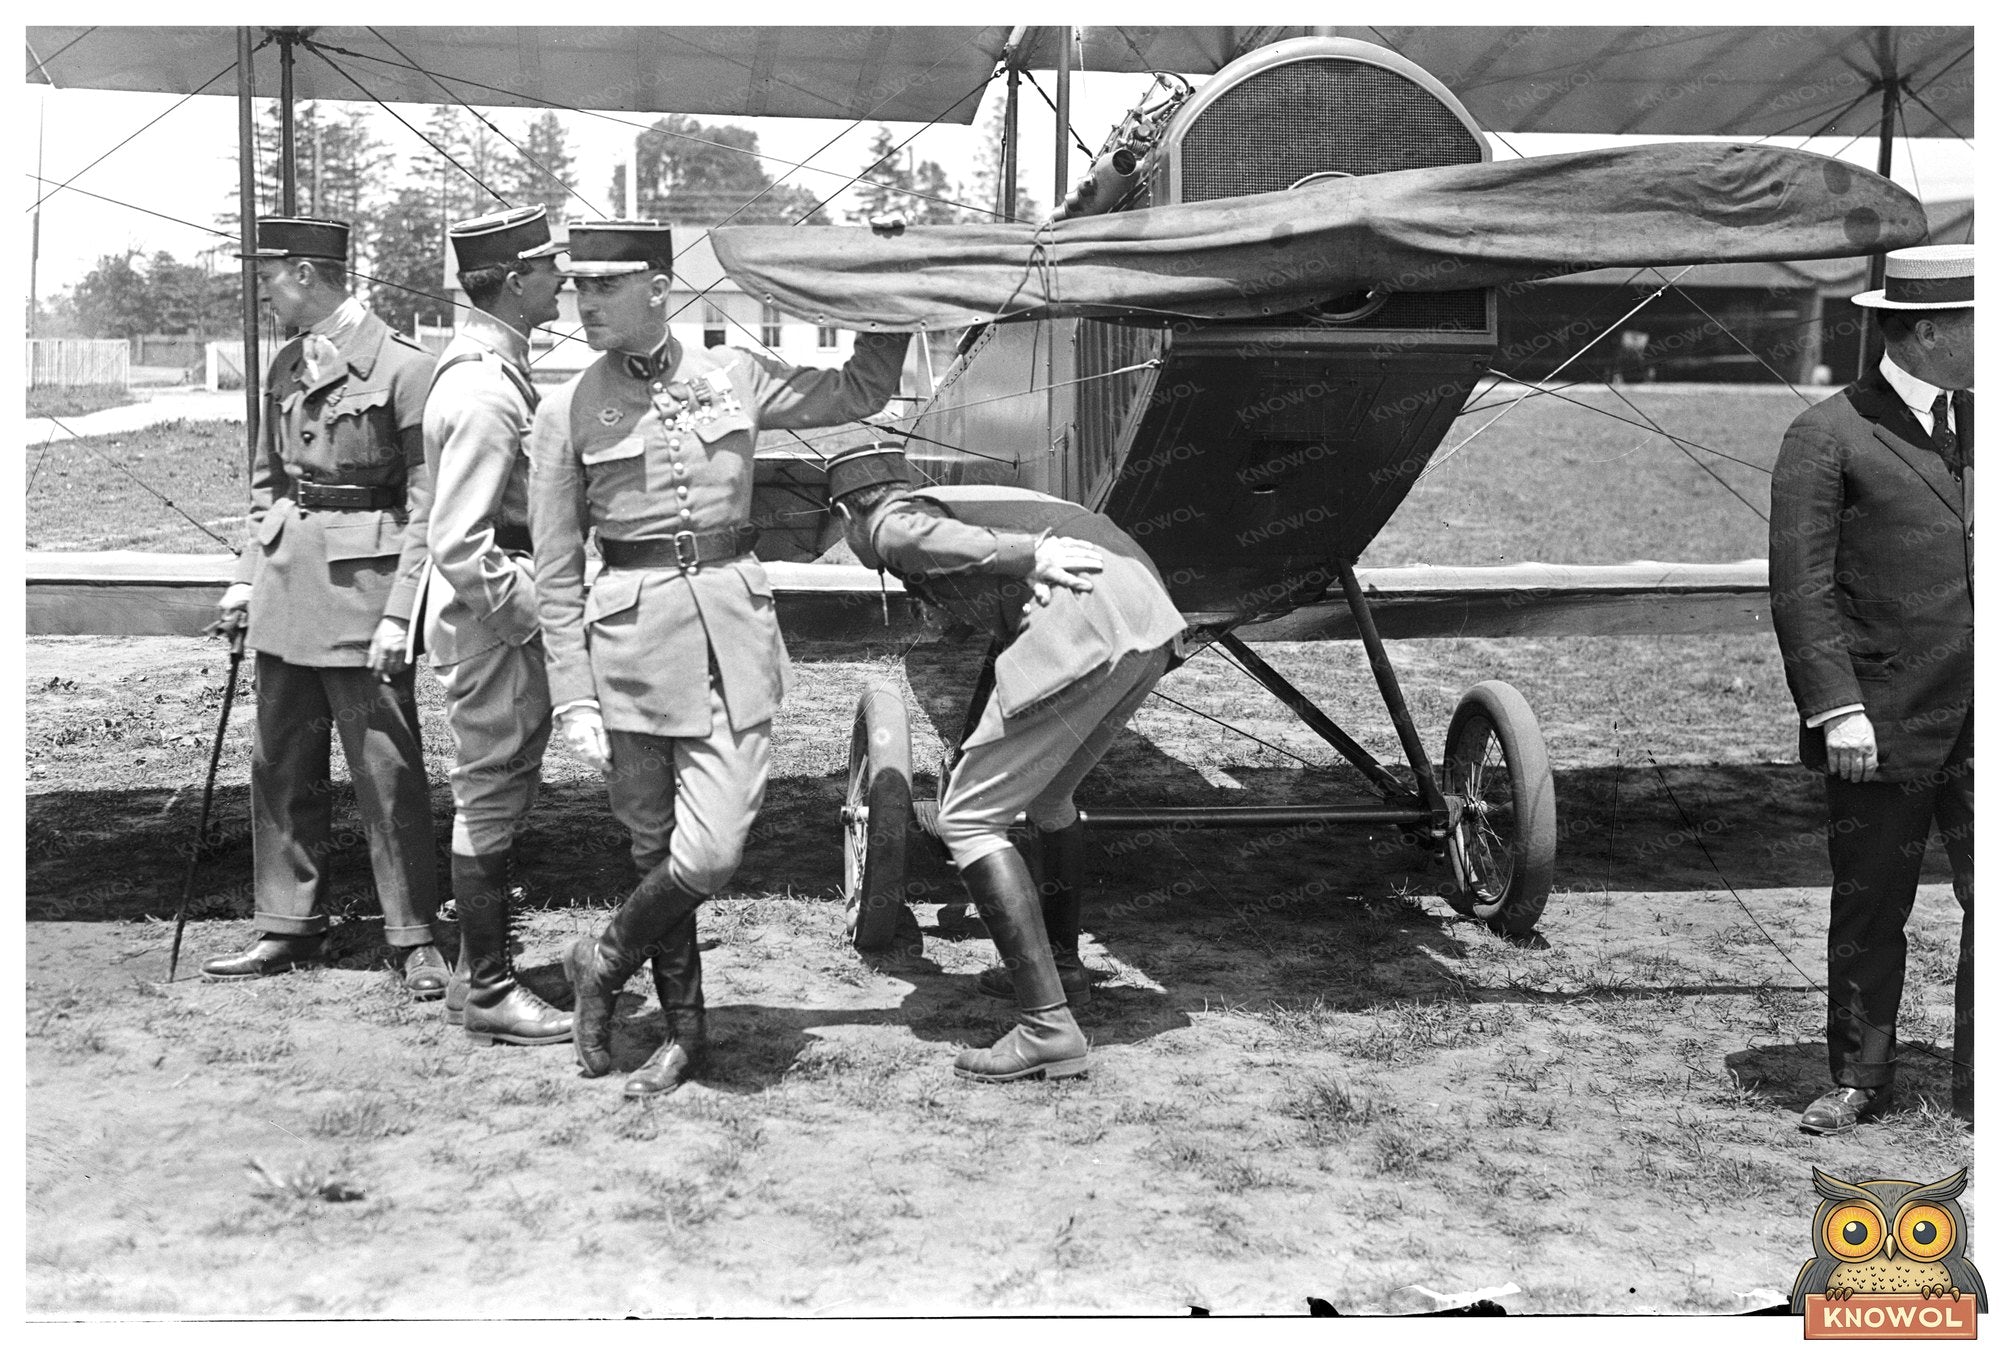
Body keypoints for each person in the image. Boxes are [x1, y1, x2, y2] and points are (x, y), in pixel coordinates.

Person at [528, 220, 911, 1096]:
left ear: (659, 288)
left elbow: (861, 388)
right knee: (651, 849)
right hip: (629, 652)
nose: (585, 302)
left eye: (606, 285)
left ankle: (600, 958)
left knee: (710, 853)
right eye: (579, 286)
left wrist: (888, 286)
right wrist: (573, 695)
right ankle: (684, 1036)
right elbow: (554, 569)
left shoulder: (733, 373)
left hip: (732, 641)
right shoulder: (565, 411)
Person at [826, 444, 1187, 1083]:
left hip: (1082, 621)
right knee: (1050, 800)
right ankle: (1064, 967)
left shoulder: (888, 520)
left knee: (967, 819)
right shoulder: (976, 503)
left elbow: (902, 535)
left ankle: (1048, 1028)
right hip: (1147, 620)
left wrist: (1030, 556)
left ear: (846, 513)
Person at [203, 216, 447, 997]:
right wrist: (246, 579)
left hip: (363, 596)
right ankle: (288, 924)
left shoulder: (405, 367)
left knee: (386, 771)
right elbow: (268, 488)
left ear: (306, 275)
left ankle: (414, 936)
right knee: (280, 765)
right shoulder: (285, 364)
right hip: (286, 587)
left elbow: (427, 506)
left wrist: (400, 611)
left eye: (269, 277)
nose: (264, 292)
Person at [1770, 244, 1974, 1135]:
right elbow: (1800, 586)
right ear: (1928, 332)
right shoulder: (1828, 433)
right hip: (1882, 720)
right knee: (1872, 900)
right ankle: (1859, 1075)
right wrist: (1837, 708)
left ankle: (1980, 1081)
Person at [422, 205, 573, 1047]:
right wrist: (535, 620)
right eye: (549, 266)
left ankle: (470, 981)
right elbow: (459, 541)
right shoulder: (484, 389)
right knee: (489, 793)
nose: (563, 278)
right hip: (494, 625)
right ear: (515, 282)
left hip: (491, 618)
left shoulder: (493, 369)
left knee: (496, 789)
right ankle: (487, 988)